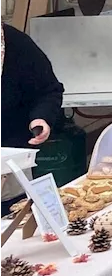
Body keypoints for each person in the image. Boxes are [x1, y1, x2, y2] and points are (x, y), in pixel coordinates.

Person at [0, 22, 64, 215]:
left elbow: (48, 90)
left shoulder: (18, 45)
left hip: (11, 156)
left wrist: (40, 118)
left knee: (13, 223)